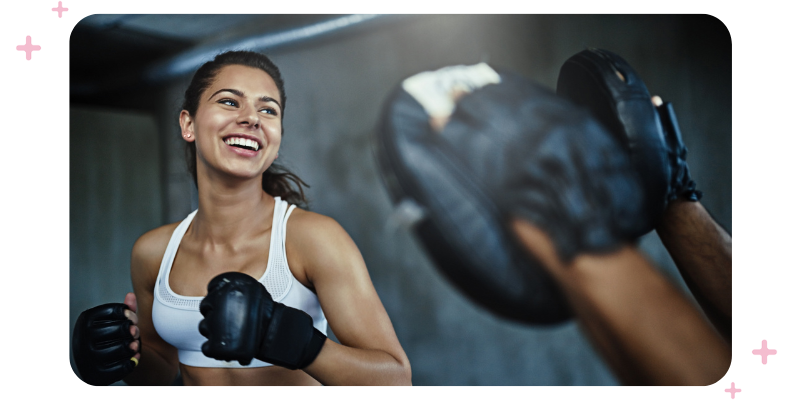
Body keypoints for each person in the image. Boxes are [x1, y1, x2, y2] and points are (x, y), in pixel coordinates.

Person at [73, 51, 412, 386]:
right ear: (188, 124)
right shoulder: (152, 252)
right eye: (230, 103)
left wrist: (303, 345)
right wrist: (122, 355)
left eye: (268, 110)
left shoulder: (312, 239)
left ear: (275, 143)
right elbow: (160, 366)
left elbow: (396, 379)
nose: (252, 118)